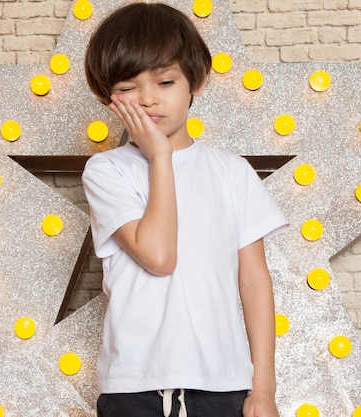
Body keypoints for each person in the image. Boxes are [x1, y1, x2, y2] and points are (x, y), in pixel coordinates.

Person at [82, 3, 288, 417]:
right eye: (127, 87)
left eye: (165, 81)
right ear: (108, 98)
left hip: (224, 382)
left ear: (196, 82)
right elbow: (159, 256)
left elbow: (253, 281)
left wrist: (263, 389)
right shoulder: (107, 170)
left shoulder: (232, 172)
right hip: (134, 383)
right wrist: (159, 156)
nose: (147, 99)